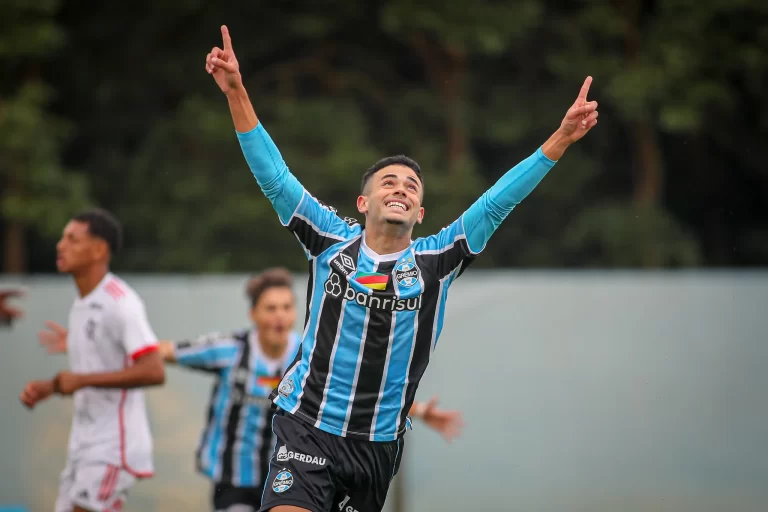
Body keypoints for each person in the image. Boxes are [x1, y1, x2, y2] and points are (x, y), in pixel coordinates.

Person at [205, 24, 598, 512]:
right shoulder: (328, 239)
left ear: (421, 214)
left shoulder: (437, 260)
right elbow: (274, 177)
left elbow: (496, 203)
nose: (401, 189)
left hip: (376, 446)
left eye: (412, 186)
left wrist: (560, 138)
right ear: (363, 202)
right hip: (305, 424)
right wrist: (237, 92)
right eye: (388, 182)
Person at [39, 267, 463, 512]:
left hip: (303, 474)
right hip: (237, 482)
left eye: (286, 307)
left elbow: (357, 395)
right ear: (255, 314)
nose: (280, 315)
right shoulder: (229, 349)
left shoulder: (312, 353)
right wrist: (94, 345)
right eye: (270, 308)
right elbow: (160, 352)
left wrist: (422, 412)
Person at [19, 208, 165, 512]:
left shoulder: (120, 301)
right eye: (62, 238)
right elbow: (90, 371)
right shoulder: (83, 302)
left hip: (113, 446)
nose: (61, 245)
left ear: (99, 249)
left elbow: (154, 370)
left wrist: (79, 381)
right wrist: (50, 387)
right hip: (84, 444)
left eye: (72, 239)